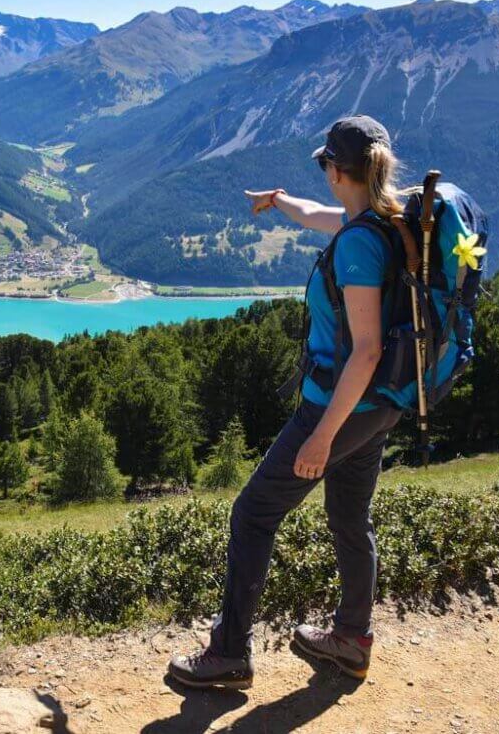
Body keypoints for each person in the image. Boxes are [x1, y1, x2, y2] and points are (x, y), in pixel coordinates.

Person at [168, 115, 405, 689]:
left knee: (253, 513)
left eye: (325, 163)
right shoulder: (381, 222)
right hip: (381, 406)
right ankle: (351, 640)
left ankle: (229, 653)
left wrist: (323, 435)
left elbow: (366, 349)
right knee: (350, 517)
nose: (322, 173)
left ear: (337, 170)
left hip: (336, 406)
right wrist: (279, 201)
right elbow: (320, 217)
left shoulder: (356, 250)